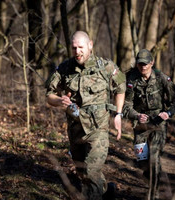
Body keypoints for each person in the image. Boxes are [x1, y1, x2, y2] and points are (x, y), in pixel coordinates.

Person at [45, 31, 126, 200]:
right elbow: (49, 95)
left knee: (91, 171)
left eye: (80, 47)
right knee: (82, 172)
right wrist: (60, 101)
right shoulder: (65, 68)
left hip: (98, 130)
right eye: (74, 48)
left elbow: (120, 88)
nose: (77, 51)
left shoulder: (106, 67)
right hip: (76, 130)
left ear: (90, 45)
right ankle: (107, 191)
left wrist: (118, 114)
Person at [122, 49, 175, 199]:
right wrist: (136, 115)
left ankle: (152, 195)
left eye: (145, 64)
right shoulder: (130, 79)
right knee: (143, 162)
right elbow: (125, 105)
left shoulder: (162, 78)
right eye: (140, 64)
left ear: (152, 63)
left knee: (154, 157)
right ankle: (151, 178)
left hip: (158, 123)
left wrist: (167, 113)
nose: (143, 67)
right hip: (140, 125)